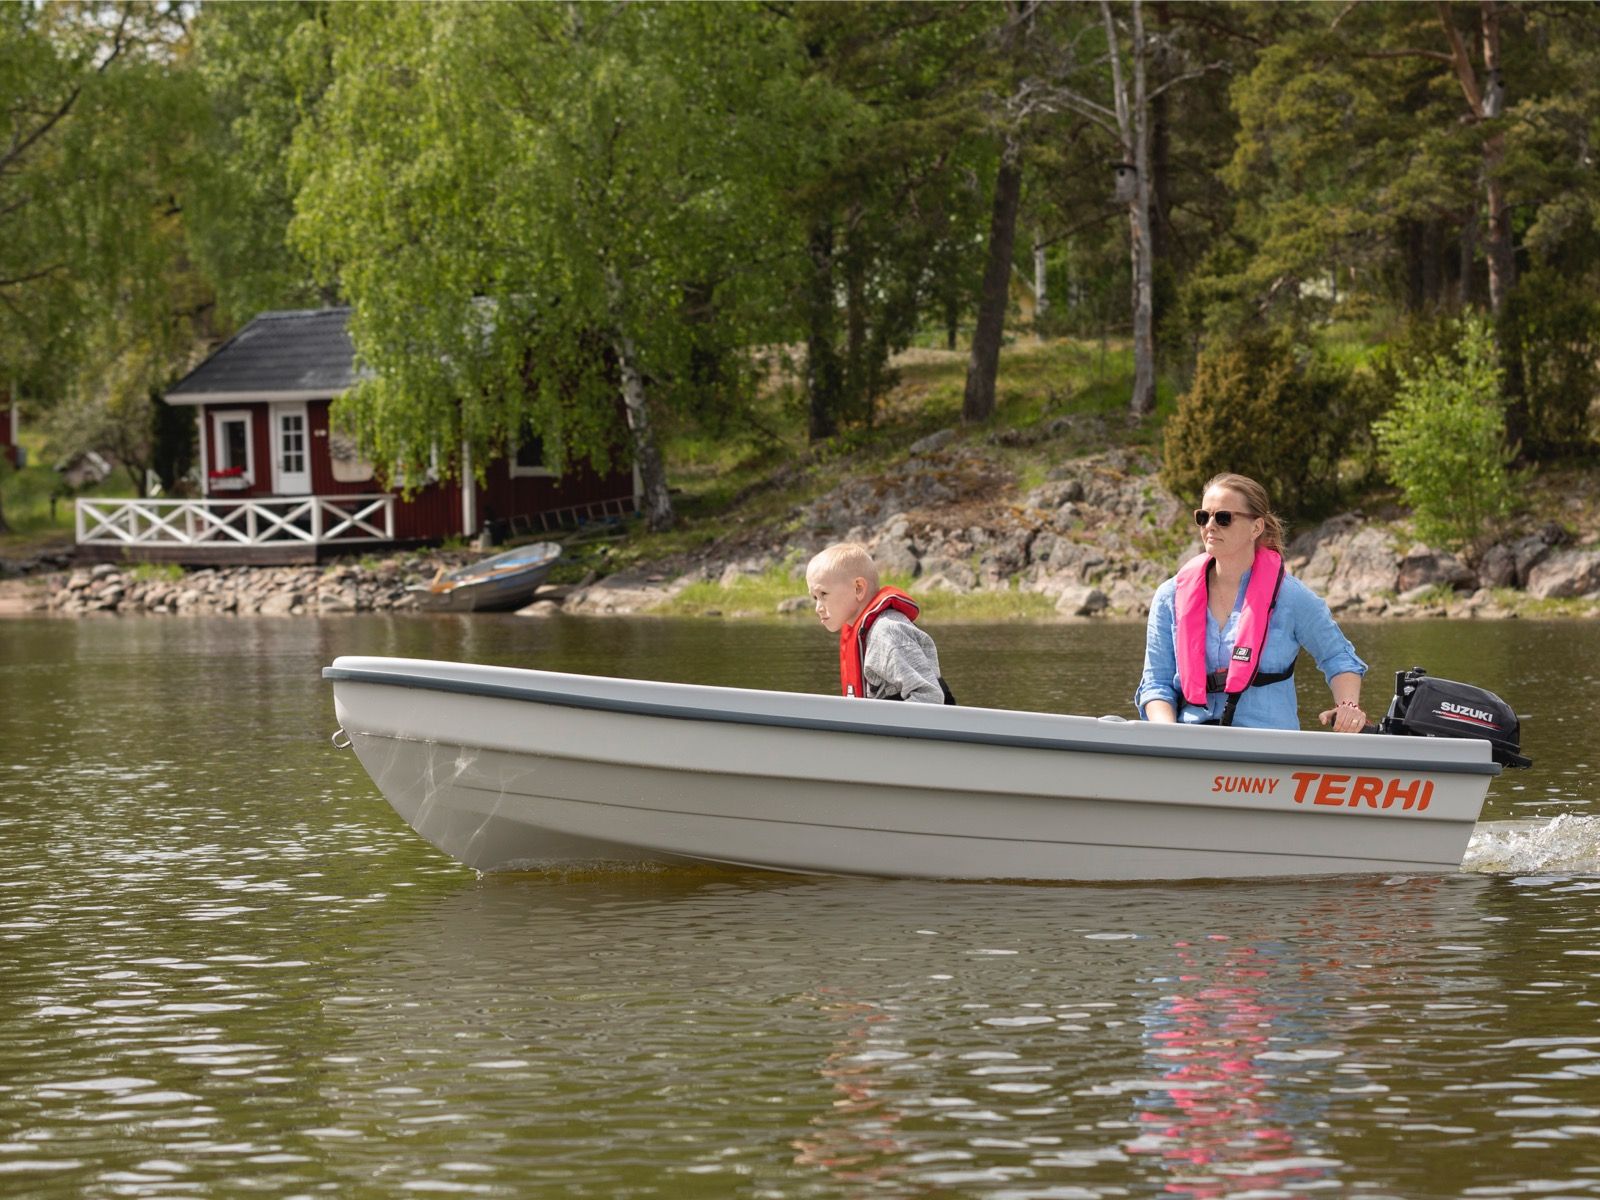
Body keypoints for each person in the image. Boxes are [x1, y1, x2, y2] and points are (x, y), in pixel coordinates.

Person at [1135, 473, 1368, 731]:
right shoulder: (1169, 596)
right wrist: (1169, 737)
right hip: (1190, 743)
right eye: (1203, 516)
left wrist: (1348, 706)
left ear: (1256, 528)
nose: (1210, 526)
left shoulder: (1291, 597)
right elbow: (1156, 684)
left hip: (1268, 748)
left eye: (1223, 518)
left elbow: (1338, 657)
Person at [805, 542, 953, 704]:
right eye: (815, 598)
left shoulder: (887, 632)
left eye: (823, 594)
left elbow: (930, 697)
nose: (818, 608)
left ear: (858, 588)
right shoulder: (867, 632)